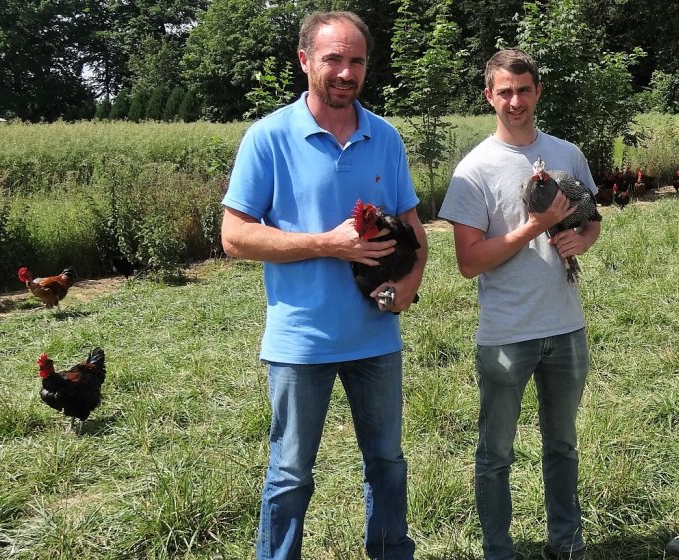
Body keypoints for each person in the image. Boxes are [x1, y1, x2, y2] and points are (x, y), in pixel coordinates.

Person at [220, 10, 426, 560]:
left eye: (356, 60)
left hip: (375, 338)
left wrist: (409, 285)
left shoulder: (385, 137)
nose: (345, 71)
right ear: (306, 59)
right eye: (333, 58)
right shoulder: (268, 137)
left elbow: (413, 227)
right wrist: (326, 244)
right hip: (300, 339)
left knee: (386, 462)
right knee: (290, 473)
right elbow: (235, 237)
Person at [438, 48, 601, 560]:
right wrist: (535, 226)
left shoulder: (567, 154)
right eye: (504, 91)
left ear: (537, 92)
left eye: (523, 90)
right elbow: (468, 261)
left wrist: (584, 238)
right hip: (507, 332)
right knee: (496, 454)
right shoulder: (475, 170)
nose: (514, 101)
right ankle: (498, 550)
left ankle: (566, 543)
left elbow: (591, 217)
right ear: (489, 95)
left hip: (566, 326)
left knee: (562, 446)